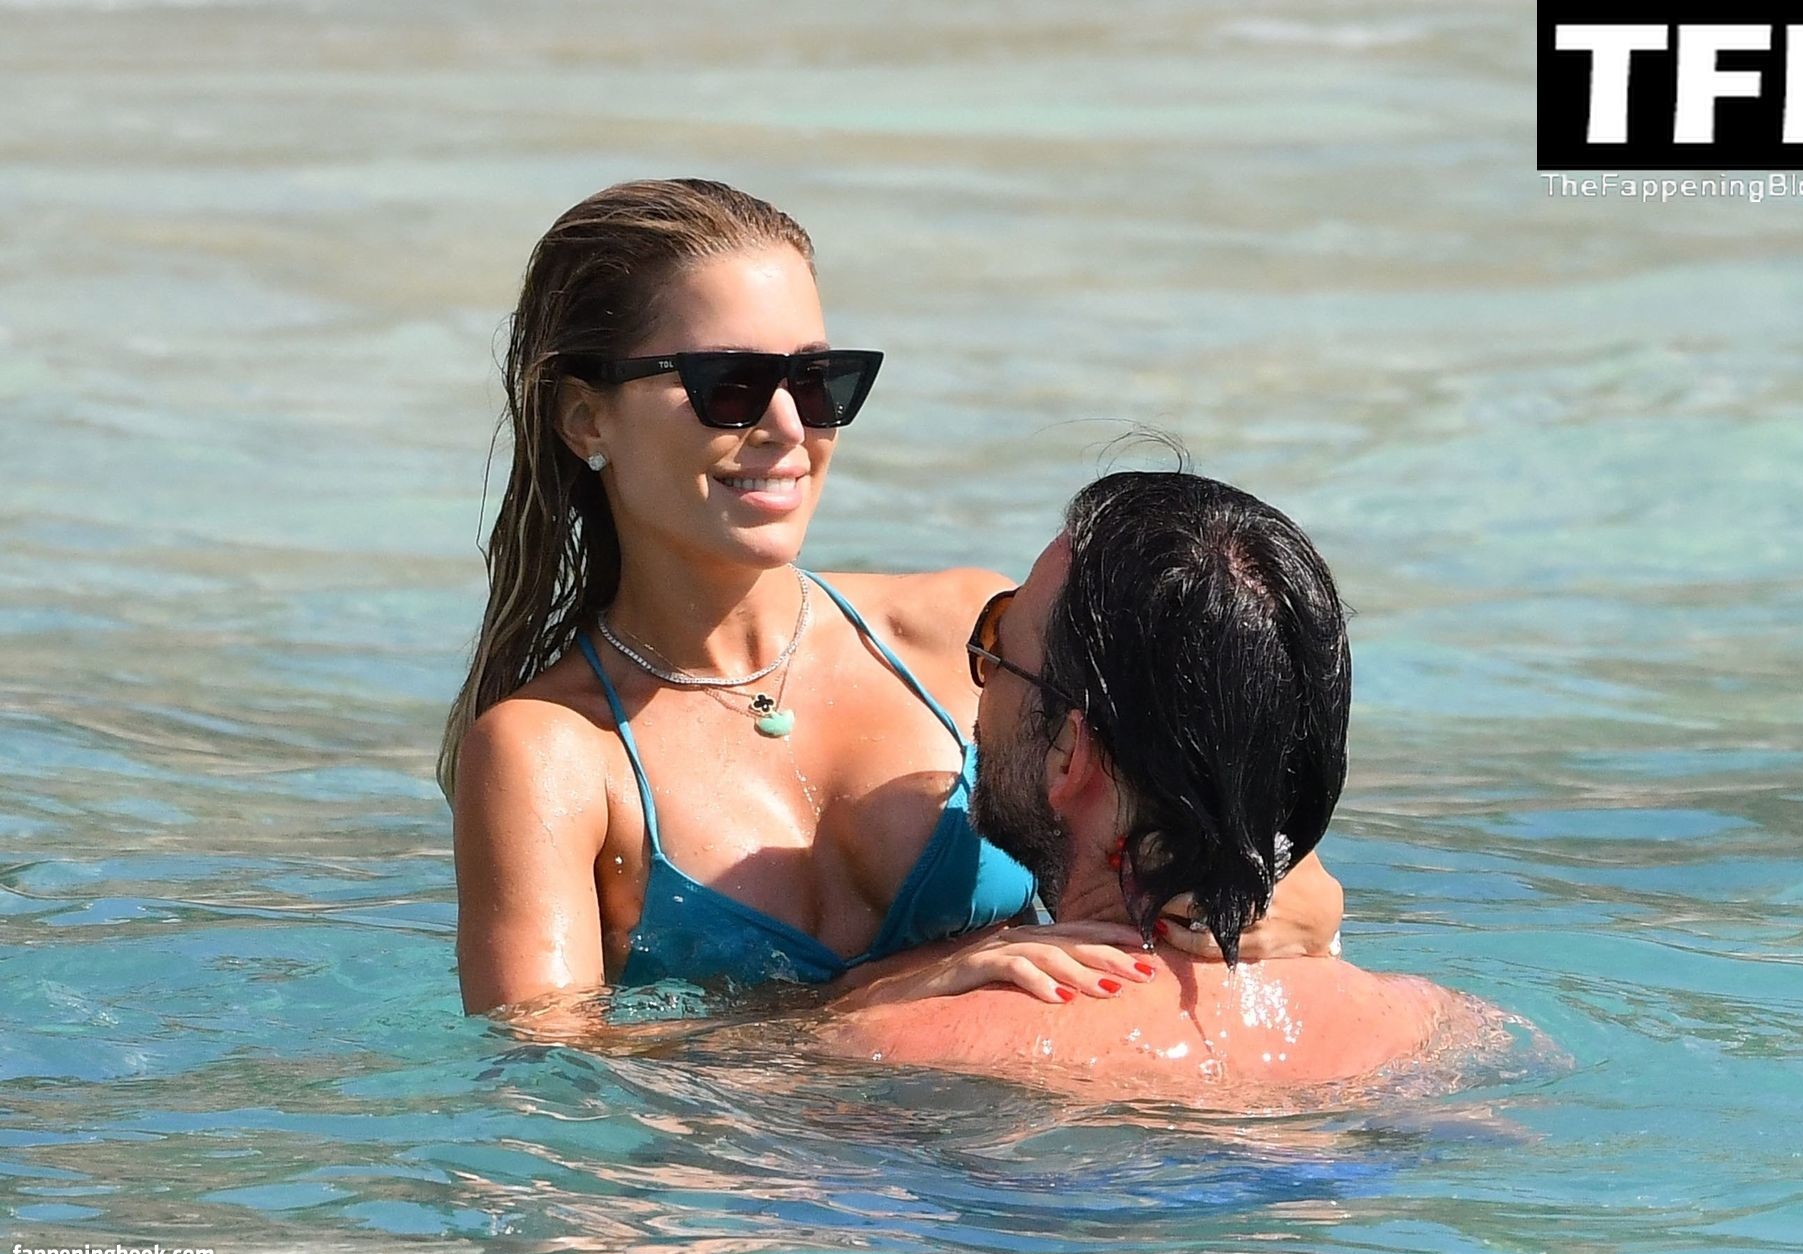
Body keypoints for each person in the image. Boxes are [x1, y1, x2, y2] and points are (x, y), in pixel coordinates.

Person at [444, 179, 1346, 1017]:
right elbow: (545, 1063)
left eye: (817, 382)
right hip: (741, 1147)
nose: (789, 427)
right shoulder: (549, 754)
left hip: (1017, 1131)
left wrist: (1284, 898)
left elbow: (1234, 838)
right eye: (730, 385)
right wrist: (885, 993)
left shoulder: (969, 636)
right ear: (585, 418)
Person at [827, 471, 1497, 1093]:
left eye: (999, 643)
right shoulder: (1443, 1030)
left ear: (1068, 756)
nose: (981, 675)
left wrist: (868, 1000)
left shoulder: (905, 1044)